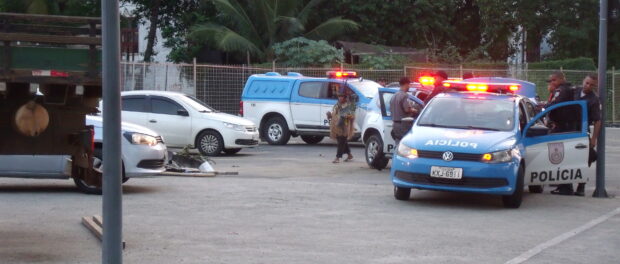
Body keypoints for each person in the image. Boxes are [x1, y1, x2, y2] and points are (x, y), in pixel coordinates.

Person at [570, 73, 602, 196]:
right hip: (568, 128)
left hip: (582, 130)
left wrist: (594, 138)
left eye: (591, 85)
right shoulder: (575, 91)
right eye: (587, 83)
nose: (588, 86)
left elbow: (597, 121)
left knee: (586, 157)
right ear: (583, 80)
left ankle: (581, 186)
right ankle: (565, 185)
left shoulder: (594, 99)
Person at [326, 92, 355, 163]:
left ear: (345, 98)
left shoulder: (349, 105)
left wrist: (346, 116)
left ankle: (337, 157)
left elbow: (352, 116)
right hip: (336, 127)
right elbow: (335, 114)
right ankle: (349, 154)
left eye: (342, 96)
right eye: (339, 96)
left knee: (341, 142)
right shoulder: (337, 105)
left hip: (344, 126)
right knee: (342, 142)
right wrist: (330, 115)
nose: (340, 98)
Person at [390, 77, 418, 146]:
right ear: (406, 84)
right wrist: (414, 110)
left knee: (397, 144)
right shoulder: (404, 95)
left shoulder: (394, 95)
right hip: (403, 125)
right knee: (405, 145)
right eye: (409, 85)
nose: (409, 86)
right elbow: (407, 109)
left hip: (395, 125)